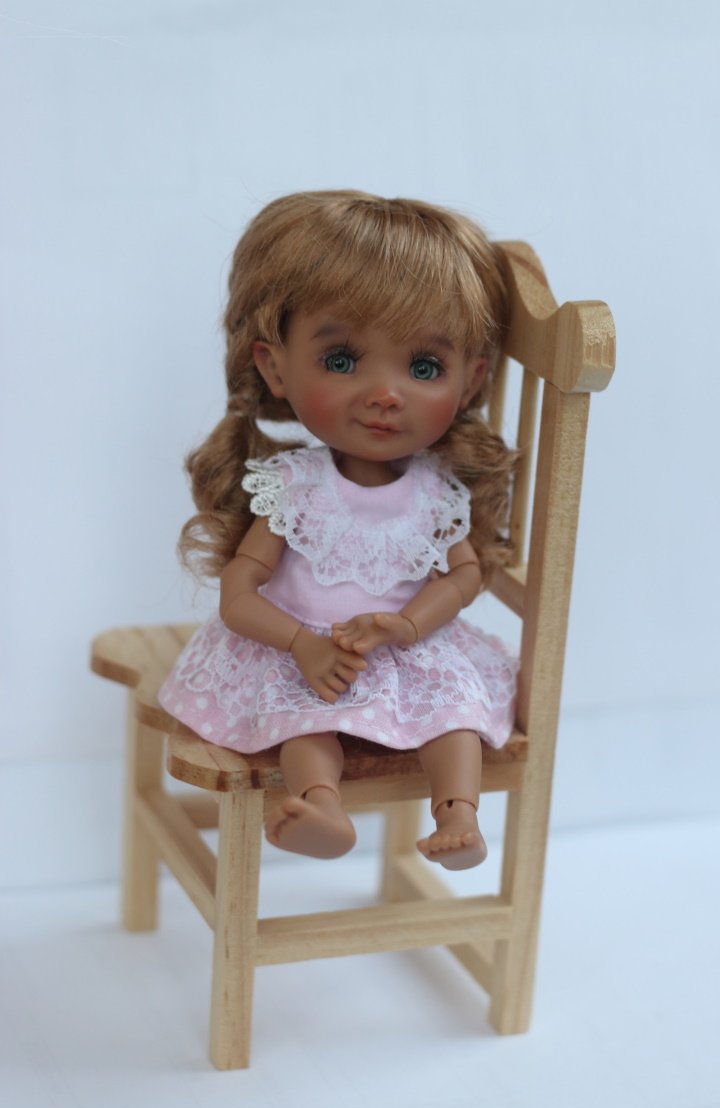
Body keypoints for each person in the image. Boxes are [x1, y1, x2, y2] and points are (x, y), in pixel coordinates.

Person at [159, 189, 518, 871]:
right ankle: (321, 806)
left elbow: (465, 574)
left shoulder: (435, 490)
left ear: (470, 381)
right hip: (306, 648)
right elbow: (238, 595)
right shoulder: (295, 486)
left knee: (455, 713)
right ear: (275, 366)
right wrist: (303, 643)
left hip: (409, 650)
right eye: (343, 360)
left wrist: (408, 625)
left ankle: (458, 815)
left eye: (423, 367)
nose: (386, 394)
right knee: (307, 717)